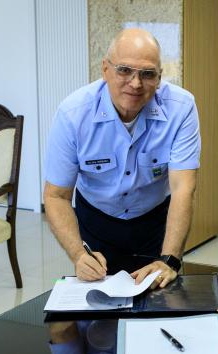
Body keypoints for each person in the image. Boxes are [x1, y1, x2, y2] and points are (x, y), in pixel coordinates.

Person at [43, 28, 200, 289]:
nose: (136, 83)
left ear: (160, 78)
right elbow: (56, 195)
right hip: (95, 220)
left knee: (156, 302)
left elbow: (183, 188)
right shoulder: (73, 114)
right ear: (105, 69)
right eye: (124, 70)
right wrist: (78, 255)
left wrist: (170, 259)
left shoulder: (181, 108)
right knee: (99, 314)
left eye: (148, 74)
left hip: (154, 221)